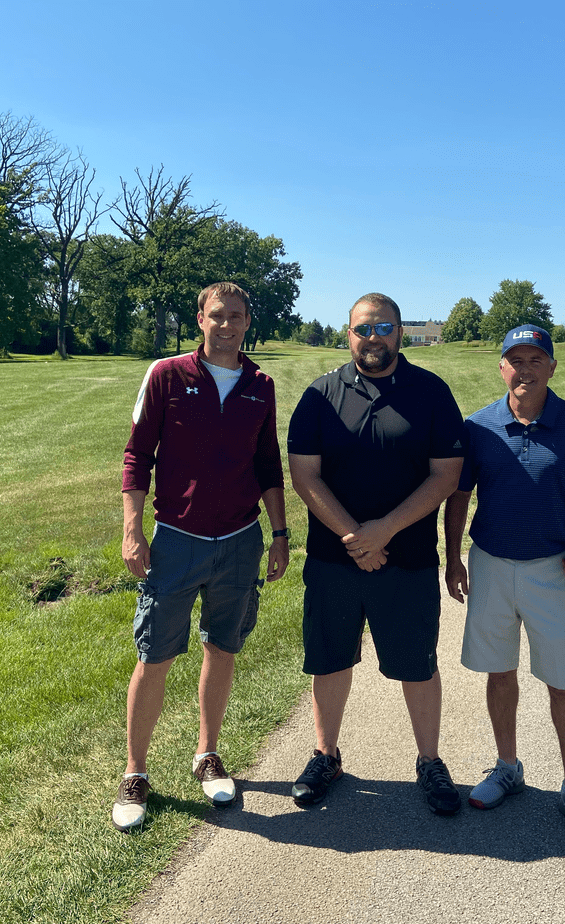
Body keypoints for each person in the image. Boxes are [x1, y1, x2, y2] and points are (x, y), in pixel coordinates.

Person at [111, 282, 290, 832]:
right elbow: (137, 456)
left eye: (236, 316)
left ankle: (207, 754)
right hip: (177, 539)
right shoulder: (167, 375)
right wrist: (132, 530)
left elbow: (267, 463)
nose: (227, 325)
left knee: (222, 647)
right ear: (200, 319)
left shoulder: (261, 385)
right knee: (155, 654)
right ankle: (135, 772)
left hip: (240, 540)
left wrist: (280, 533)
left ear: (247, 322)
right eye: (218, 315)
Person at [444, 324, 565, 842]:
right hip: (490, 563)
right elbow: (458, 496)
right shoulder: (478, 426)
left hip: (554, 568)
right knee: (499, 671)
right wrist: (452, 558)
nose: (525, 370)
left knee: (563, 681)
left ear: (552, 366)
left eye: (535, 360)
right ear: (501, 367)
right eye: (515, 360)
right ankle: (508, 767)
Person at [286, 292, 466, 814]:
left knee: (417, 664)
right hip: (333, 557)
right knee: (330, 659)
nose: (373, 338)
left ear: (400, 332)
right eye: (363, 329)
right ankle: (326, 755)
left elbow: (446, 475)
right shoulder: (320, 395)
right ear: (348, 335)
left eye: (383, 328)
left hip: (407, 558)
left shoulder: (431, 392)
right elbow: (304, 475)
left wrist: (385, 530)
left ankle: (429, 761)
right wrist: (355, 537)